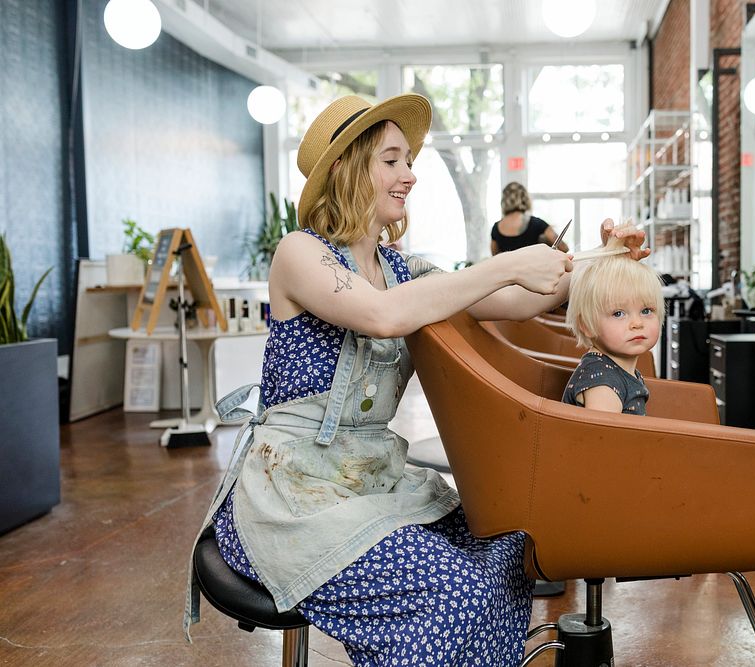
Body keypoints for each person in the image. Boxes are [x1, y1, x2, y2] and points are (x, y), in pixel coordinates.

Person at [183, 92, 648, 665]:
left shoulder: (403, 267)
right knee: (455, 591)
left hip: (372, 476)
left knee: (508, 551)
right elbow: (384, 314)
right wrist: (509, 261)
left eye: (408, 160)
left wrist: (604, 257)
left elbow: (523, 299)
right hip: (297, 487)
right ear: (348, 167)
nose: (410, 174)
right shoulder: (300, 253)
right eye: (393, 160)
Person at [561, 254, 755, 555]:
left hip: (636, 482)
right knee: (711, 478)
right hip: (614, 503)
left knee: (718, 461)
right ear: (587, 324)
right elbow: (607, 453)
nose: (637, 322)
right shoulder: (599, 379)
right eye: (618, 314)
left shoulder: (615, 367)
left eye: (646, 310)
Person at [490, 181, 569, 254]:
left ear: (504, 201)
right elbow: (564, 248)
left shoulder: (496, 228)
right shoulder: (537, 223)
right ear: (525, 199)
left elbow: (495, 258)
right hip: (534, 268)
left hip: (508, 269)